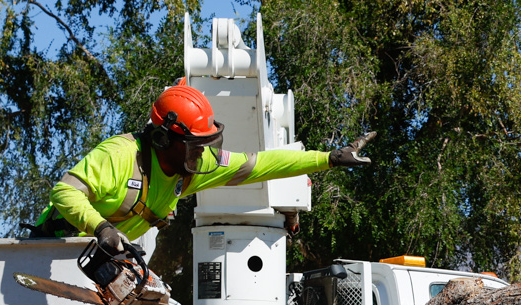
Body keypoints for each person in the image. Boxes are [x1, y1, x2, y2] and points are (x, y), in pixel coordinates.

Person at [33, 83, 374, 250]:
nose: (203, 155)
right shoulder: (121, 156)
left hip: (98, 260)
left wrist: (327, 158)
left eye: (206, 144)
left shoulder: (191, 169)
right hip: (53, 252)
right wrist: (101, 228)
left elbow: (260, 164)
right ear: (165, 140)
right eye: (196, 146)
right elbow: (65, 191)